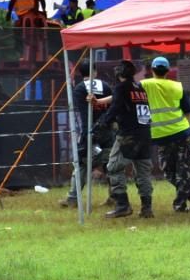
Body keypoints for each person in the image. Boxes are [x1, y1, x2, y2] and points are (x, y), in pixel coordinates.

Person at [91, 60, 153, 218]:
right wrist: (100, 102)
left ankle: (122, 205)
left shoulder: (121, 87)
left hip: (128, 135)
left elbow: (116, 107)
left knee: (113, 167)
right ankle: (147, 208)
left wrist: (100, 124)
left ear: (118, 74)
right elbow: (120, 100)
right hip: (145, 134)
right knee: (143, 171)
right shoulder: (140, 87)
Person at [141, 56, 190, 212]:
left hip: (161, 135)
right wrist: (188, 130)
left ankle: (180, 205)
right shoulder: (177, 86)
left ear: (152, 70)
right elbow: (188, 111)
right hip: (182, 133)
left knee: (169, 172)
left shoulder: (144, 84)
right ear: (168, 71)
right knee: (183, 171)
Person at [60, 61, 114, 208]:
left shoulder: (79, 89)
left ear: (80, 73)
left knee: (82, 164)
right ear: (95, 72)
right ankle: (114, 196)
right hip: (108, 130)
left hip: (89, 130)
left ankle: (72, 198)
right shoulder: (107, 86)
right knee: (110, 164)